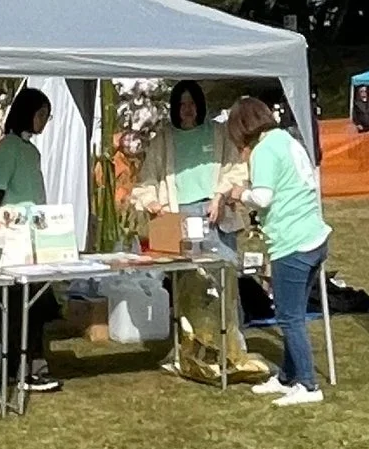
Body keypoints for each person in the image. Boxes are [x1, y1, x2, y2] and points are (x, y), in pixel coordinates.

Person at [133, 83, 265, 384]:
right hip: (178, 219)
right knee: (188, 287)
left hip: (215, 216)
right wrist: (152, 202)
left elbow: (237, 171)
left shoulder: (218, 133)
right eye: (182, 104)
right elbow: (146, 181)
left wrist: (219, 197)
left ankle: (231, 350)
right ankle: (191, 351)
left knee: (224, 283)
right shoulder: (164, 139)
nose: (187, 110)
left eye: (192, 103)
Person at [219, 98, 329, 408]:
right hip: (314, 236)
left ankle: (308, 384)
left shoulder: (265, 149)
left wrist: (239, 193)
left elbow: (263, 197)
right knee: (294, 314)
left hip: (292, 242)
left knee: (289, 317)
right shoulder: (287, 140)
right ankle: (287, 377)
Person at [0, 89, 62, 392]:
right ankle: (18, 366)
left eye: (47, 116)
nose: (43, 121)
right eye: (41, 114)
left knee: (35, 305)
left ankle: (35, 360)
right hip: (11, 242)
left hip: (36, 239)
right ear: (26, 113)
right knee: (16, 308)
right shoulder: (6, 149)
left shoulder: (31, 151)